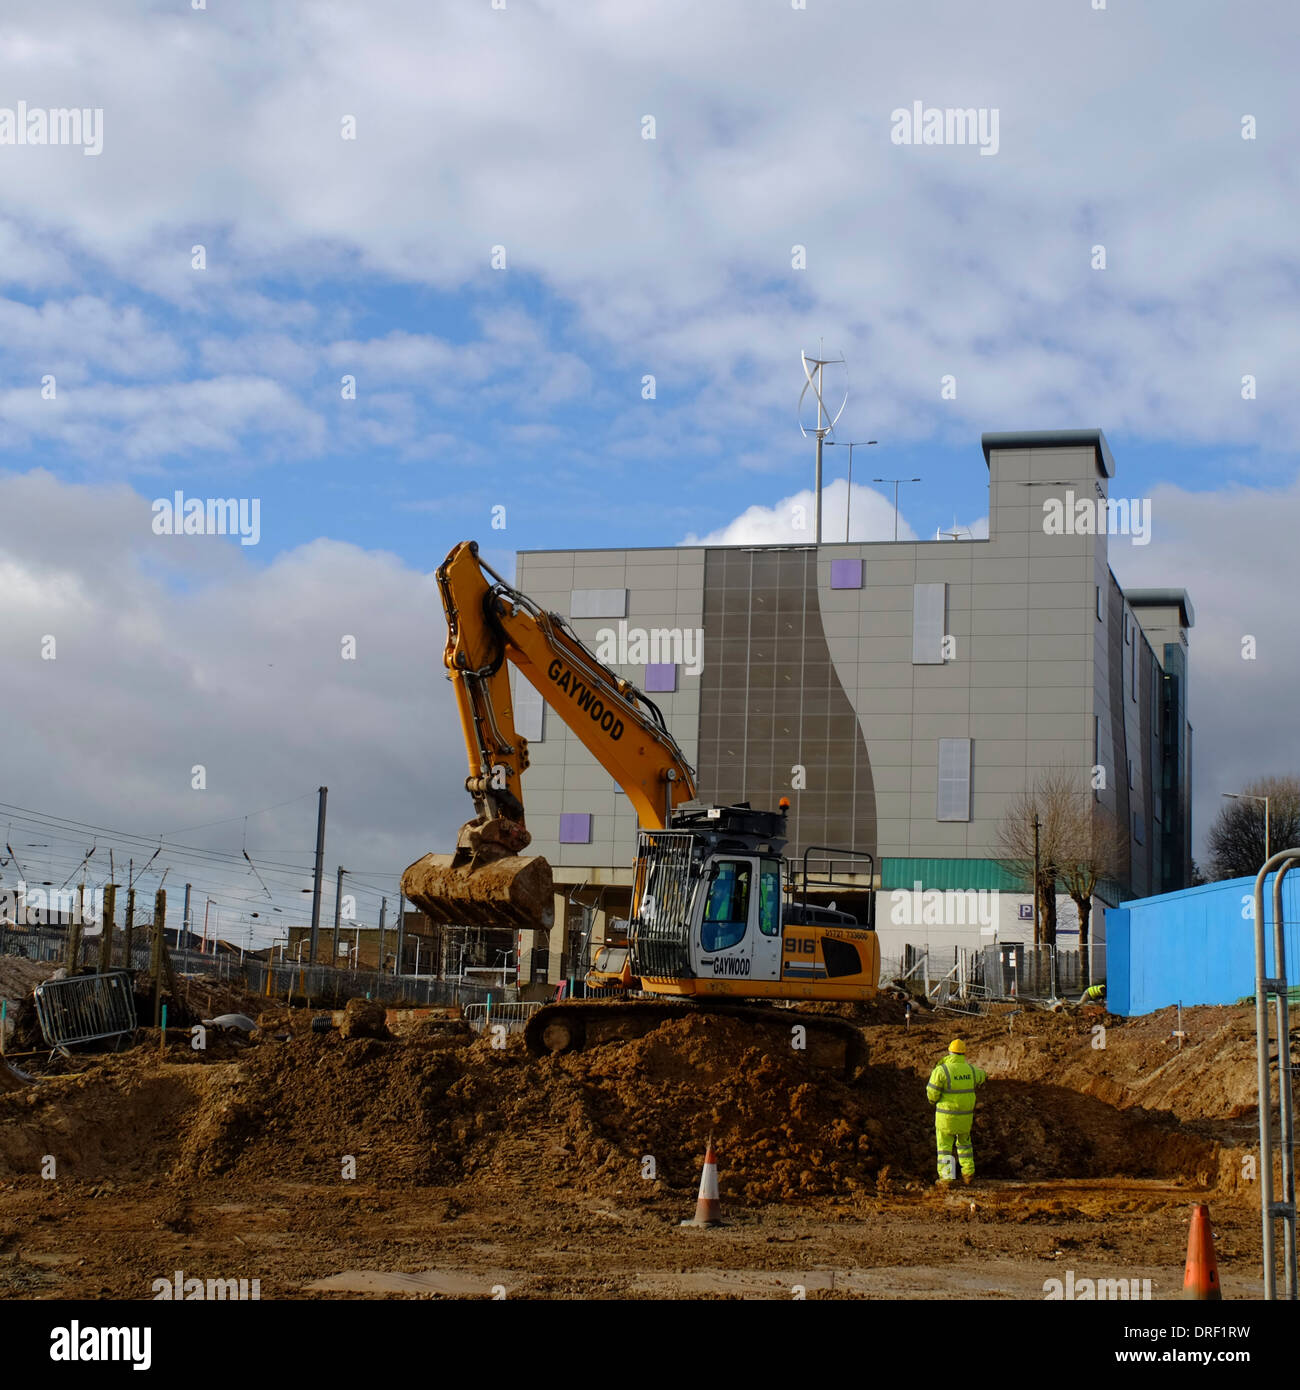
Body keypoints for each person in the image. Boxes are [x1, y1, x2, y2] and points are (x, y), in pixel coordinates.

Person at [926, 1039, 987, 1186]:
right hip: (965, 1119)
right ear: (963, 1054)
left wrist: (933, 1102)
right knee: (965, 1144)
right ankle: (968, 1173)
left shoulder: (941, 1071)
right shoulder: (971, 1070)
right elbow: (983, 1075)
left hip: (946, 1118)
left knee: (945, 1147)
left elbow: (931, 1093)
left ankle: (947, 1178)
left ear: (949, 1052)